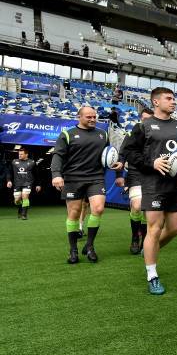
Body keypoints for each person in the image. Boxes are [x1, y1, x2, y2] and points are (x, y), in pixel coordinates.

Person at [123, 88, 177, 295]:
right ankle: (152, 275)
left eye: (174, 98)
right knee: (154, 229)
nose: (173, 102)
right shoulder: (143, 126)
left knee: (175, 228)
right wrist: (152, 162)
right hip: (153, 185)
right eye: (168, 98)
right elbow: (130, 152)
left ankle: (149, 249)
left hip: (176, 185)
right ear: (155, 102)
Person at [51, 106, 120, 264]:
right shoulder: (67, 134)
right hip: (72, 178)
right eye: (89, 117)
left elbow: (110, 155)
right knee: (74, 213)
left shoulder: (103, 134)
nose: (93, 119)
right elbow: (58, 156)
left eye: (94, 117)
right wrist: (56, 175)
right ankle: (73, 249)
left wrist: (117, 169)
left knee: (98, 208)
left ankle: (89, 246)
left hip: (96, 178)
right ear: (79, 117)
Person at [115, 107, 154, 254]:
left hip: (153, 174)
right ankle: (134, 237)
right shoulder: (134, 133)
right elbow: (123, 151)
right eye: (144, 119)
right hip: (135, 173)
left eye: (149, 119)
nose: (146, 122)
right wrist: (119, 174)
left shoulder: (158, 133)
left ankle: (145, 239)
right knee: (137, 206)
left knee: (148, 210)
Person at [6, 148, 40, 220]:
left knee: (25, 196)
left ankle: (24, 215)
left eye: (21, 154)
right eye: (19, 154)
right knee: (17, 200)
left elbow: (36, 174)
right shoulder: (14, 162)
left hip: (28, 182)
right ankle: (20, 208)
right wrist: (9, 180)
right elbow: (9, 172)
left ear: (26, 154)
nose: (20, 155)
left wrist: (38, 184)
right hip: (17, 183)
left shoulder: (32, 162)